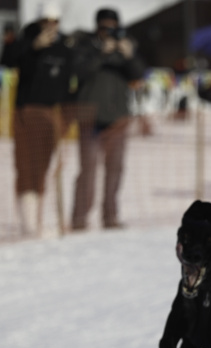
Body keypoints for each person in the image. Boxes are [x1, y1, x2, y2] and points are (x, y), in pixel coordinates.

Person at [70, 7, 145, 231]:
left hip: (118, 118)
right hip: (90, 118)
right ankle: (79, 218)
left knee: (115, 171)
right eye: (104, 28)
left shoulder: (126, 46)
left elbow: (139, 74)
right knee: (88, 171)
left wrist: (128, 54)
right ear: (97, 27)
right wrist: (102, 53)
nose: (109, 32)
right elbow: (79, 71)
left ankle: (110, 216)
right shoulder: (84, 45)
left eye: (113, 28)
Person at [9, 1, 74, 236]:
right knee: (26, 167)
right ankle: (28, 222)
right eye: (46, 21)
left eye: (54, 21)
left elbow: (69, 85)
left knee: (43, 168)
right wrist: (33, 47)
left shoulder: (64, 48)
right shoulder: (25, 40)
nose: (50, 26)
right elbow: (7, 59)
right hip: (26, 111)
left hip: (52, 113)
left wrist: (66, 117)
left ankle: (37, 219)